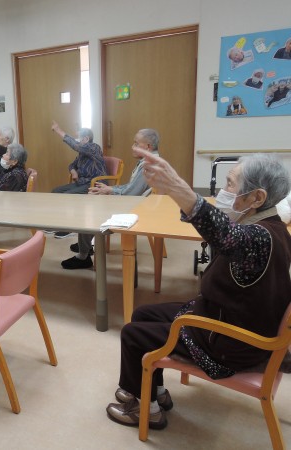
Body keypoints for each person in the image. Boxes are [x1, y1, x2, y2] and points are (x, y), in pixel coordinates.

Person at [105, 151, 291, 430]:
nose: (222, 191)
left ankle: (145, 411)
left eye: (230, 184)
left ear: (257, 198)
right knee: (143, 313)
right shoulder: (271, 225)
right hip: (228, 319)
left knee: (133, 334)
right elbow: (225, 235)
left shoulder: (260, 238)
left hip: (230, 344)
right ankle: (153, 391)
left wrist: (178, 188)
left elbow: (228, 237)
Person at [61, 129, 159, 270]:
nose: (132, 146)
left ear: (148, 146)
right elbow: (131, 188)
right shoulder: (151, 161)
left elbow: (132, 193)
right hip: (135, 203)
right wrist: (109, 189)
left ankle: (83, 255)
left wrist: (110, 190)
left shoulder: (148, 166)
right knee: (93, 199)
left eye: (136, 143)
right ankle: (85, 245)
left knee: (88, 210)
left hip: (134, 208)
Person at [50, 120, 107, 238]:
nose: (77, 140)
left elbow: (75, 146)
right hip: (81, 182)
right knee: (56, 191)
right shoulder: (82, 153)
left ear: (86, 139)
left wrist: (59, 130)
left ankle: (71, 227)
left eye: (79, 138)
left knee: (68, 196)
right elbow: (72, 165)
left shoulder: (94, 147)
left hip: (94, 183)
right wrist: (73, 171)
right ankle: (59, 224)